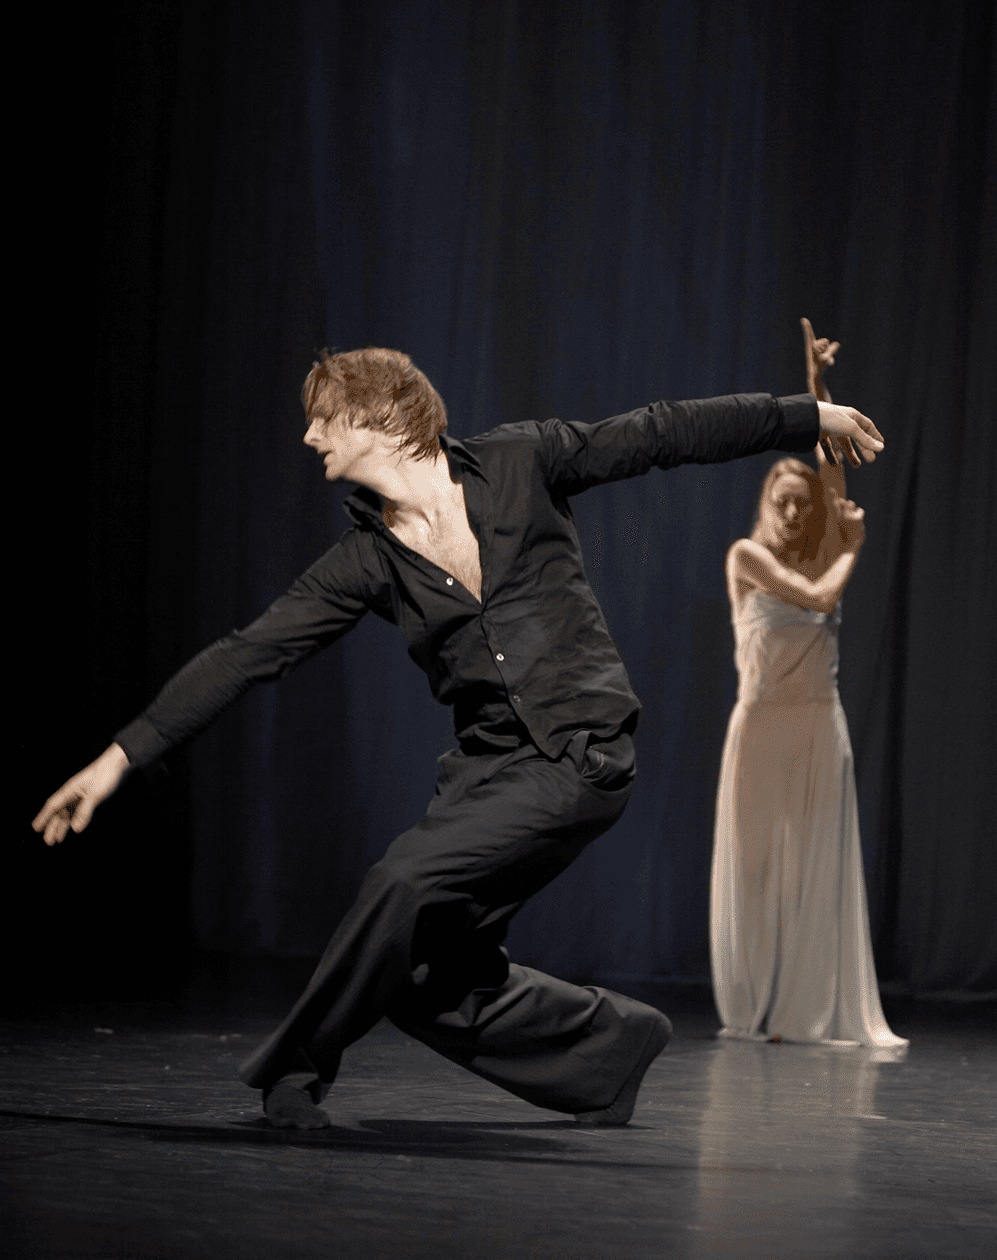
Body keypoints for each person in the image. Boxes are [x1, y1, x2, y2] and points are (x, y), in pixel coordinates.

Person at [34, 345, 887, 1127]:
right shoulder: (364, 560)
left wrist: (804, 414)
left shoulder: (522, 461)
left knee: (403, 880)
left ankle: (293, 1073)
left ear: (377, 418)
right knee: (419, 974)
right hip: (487, 772)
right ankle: (608, 1050)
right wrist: (120, 755)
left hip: (580, 755)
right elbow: (250, 652)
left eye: (321, 418)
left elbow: (662, 432)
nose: (307, 437)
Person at [709, 321, 906, 1049]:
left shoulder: (824, 539)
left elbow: (833, 473)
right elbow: (817, 597)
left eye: (802, 503)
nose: (795, 510)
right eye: (782, 500)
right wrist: (851, 549)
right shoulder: (745, 558)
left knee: (815, 869)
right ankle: (750, 1006)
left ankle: (808, 1008)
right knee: (758, 866)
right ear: (765, 504)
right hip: (760, 727)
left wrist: (818, 389)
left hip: (818, 725)